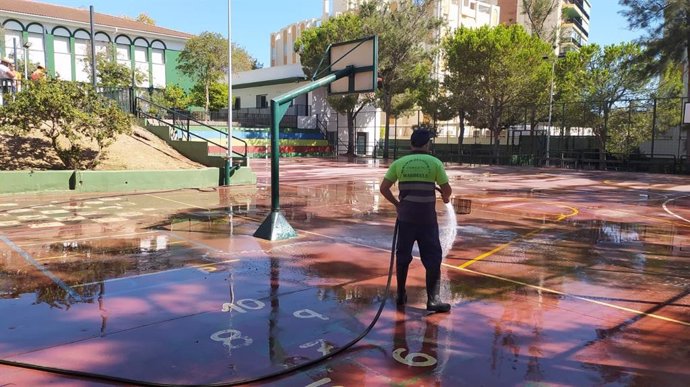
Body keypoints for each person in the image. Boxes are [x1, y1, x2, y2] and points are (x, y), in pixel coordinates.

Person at [380, 129, 453, 313]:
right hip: (427, 220)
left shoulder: (399, 163)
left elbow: (384, 188)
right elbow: (447, 189)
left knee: (403, 256)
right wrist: (445, 198)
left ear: (411, 144)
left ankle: (401, 295)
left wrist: (398, 204)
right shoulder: (435, 163)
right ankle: (433, 300)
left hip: (405, 219)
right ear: (427, 144)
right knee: (433, 258)